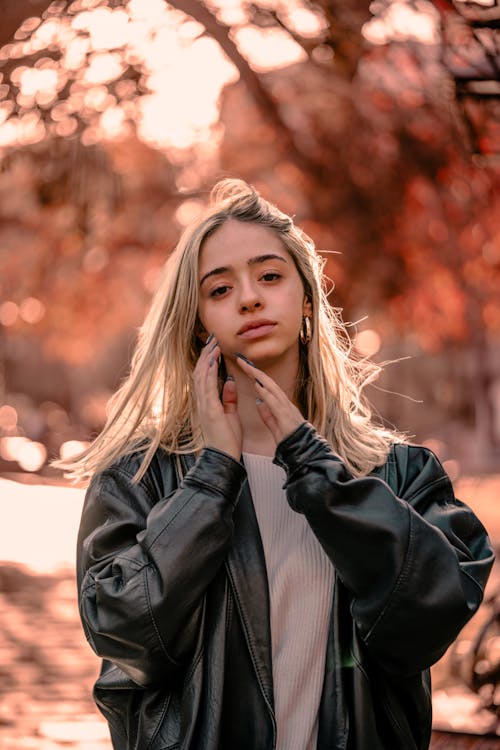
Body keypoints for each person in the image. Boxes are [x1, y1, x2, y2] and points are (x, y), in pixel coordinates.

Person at [59, 179, 494, 750]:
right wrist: (213, 472)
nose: (249, 298)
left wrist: (314, 464)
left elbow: (425, 621)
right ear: (197, 322)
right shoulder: (140, 477)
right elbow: (124, 632)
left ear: (308, 298)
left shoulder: (401, 474)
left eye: (269, 276)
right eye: (220, 289)